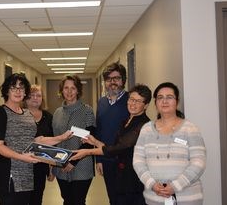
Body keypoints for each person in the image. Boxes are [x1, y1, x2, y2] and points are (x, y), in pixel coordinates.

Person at [0, 73, 71, 205]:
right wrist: (22, 157)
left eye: (21, 88)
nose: (18, 91)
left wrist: (61, 137)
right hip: (10, 174)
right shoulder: (1, 113)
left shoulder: (27, 114)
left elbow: (36, 141)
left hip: (27, 174)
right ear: (6, 91)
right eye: (13, 88)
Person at [71, 84, 152, 205]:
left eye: (138, 101)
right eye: (131, 99)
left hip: (133, 180)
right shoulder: (125, 121)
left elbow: (119, 148)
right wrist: (94, 141)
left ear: (146, 105)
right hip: (120, 176)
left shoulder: (144, 125)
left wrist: (87, 152)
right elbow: (114, 147)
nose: (132, 103)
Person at [133, 82, 207, 205]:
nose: (164, 101)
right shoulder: (146, 129)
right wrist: (152, 184)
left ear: (177, 101)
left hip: (187, 198)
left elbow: (199, 162)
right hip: (154, 197)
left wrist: (175, 186)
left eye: (169, 97)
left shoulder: (190, 128)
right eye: (160, 97)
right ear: (155, 103)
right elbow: (138, 161)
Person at [51, 74, 96, 205]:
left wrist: (72, 162)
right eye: (66, 88)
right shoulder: (57, 113)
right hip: (61, 166)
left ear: (78, 90)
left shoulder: (87, 111)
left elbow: (89, 141)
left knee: (78, 201)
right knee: (67, 200)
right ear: (62, 90)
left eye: (73, 88)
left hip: (82, 165)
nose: (69, 92)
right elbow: (55, 140)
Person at [95, 62, 129, 204]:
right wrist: (99, 160)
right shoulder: (102, 102)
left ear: (123, 80)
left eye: (116, 78)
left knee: (127, 199)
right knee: (113, 198)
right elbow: (99, 131)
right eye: (109, 79)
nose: (112, 82)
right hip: (107, 159)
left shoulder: (131, 101)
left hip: (126, 160)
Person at [24, 84, 55, 205]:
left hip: (41, 167)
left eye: (38, 95)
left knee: (37, 199)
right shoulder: (19, 114)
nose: (35, 98)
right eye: (32, 95)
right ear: (26, 97)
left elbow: (53, 143)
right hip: (22, 167)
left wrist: (52, 169)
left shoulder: (48, 117)